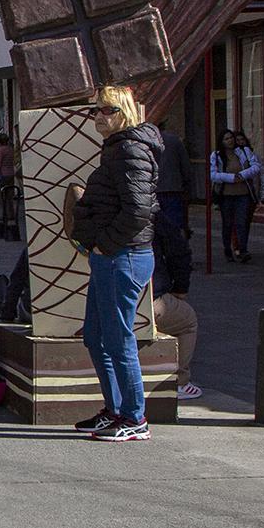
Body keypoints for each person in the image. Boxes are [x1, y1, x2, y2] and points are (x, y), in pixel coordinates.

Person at [70, 86, 161, 442]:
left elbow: (139, 209)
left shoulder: (129, 150)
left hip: (122, 256)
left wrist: (105, 245)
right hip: (114, 256)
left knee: (117, 338)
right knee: (97, 335)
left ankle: (134, 416)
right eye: (96, 110)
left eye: (104, 110)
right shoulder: (120, 149)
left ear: (122, 111)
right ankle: (117, 409)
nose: (97, 117)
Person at [150, 210, 201, 401]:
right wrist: (180, 288)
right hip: (149, 296)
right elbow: (179, 253)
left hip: (104, 297)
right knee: (187, 321)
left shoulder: (100, 208)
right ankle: (180, 381)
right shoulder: (153, 215)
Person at [208, 128, 262, 263]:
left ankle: (243, 249)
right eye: (226, 139)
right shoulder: (216, 155)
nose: (230, 141)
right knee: (227, 223)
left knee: (242, 222)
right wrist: (232, 178)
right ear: (222, 141)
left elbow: (256, 166)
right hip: (226, 195)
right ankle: (228, 249)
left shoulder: (244, 151)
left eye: (231, 138)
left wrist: (242, 175)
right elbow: (213, 175)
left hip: (243, 194)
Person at [153, 119, 194, 245]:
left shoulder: (140, 141)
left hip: (152, 192)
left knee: (154, 231)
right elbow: (186, 168)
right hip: (173, 190)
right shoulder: (174, 141)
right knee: (174, 228)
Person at [0, 131, 20, 238]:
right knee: (9, 196)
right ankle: (11, 214)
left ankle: (3, 215)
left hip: (2, 175)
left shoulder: (0, 150)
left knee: (1, 197)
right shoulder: (10, 149)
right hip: (10, 174)